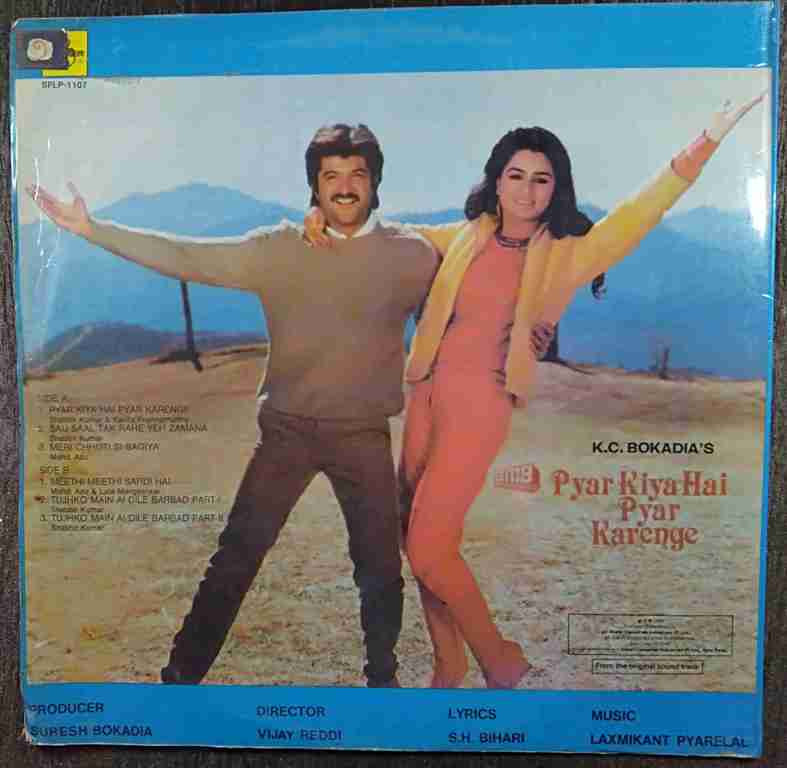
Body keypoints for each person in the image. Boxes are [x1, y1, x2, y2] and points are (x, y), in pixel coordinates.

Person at [306, 95, 764, 689]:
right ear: (496, 181)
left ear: (556, 190)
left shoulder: (569, 255)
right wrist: (320, 219)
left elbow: (643, 210)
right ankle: (449, 664)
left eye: (541, 180)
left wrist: (712, 135)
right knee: (413, 536)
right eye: (515, 175)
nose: (526, 191)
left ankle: (499, 659)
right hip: (425, 397)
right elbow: (384, 239)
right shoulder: (464, 237)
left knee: (429, 547)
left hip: (482, 406)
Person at [27, 124, 440, 688]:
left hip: (364, 434)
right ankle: (179, 680)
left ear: (375, 183)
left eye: (357, 175)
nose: (345, 187)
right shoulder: (275, 249)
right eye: (331, 176)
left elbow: (470, 259)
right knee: (236, 558)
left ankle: (383, 684)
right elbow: (186, 256)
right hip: (287, 433)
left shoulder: (411, 255)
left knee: (382, 569)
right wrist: (93, 229)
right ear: (314, 187)